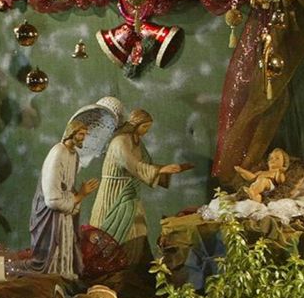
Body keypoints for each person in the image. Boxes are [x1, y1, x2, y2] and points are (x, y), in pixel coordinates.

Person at [90, 109, 190, 267]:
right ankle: (113, 270)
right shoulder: (120, 142)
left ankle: (134, 269)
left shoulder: (137, 141)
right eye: (144, 127)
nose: (147, 131)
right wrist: (160, 170)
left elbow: (146, 164)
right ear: (135, 124)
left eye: (148, 127)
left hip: (131, 192)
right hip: (115, 193)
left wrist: (167, 169)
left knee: (138, 230)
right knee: (114, 232)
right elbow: (134, 166)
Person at [30, 122, 100, 280]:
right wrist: (80, 195)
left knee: (66, 252)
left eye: (85, 135)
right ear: (71, 133)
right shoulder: (58, 153)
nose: (83, 138)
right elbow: (52, 199)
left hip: (65, 214)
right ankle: (56, 280)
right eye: (81, 134)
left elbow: (68, 187)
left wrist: (78, 195)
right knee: (54, 259)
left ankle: (65, 278)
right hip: (51, 216)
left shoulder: (74, 155)